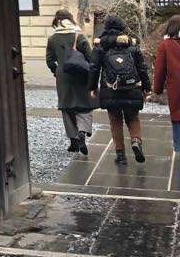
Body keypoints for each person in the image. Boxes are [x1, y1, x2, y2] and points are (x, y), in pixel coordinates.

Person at [91, 14, 151, 166]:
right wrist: (146, 88)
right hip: (131, 88)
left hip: (111, 89)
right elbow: (142, 68)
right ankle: (136, 141)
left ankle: (120, 155)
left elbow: (94, 68)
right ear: (122, 28)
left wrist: (92, 87)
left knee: (115, 120)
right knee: (133, 117)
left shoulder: (100, 46)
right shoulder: (131, 45)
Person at [45, 9, 93, 155]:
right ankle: (82, 132)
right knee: (84, 106)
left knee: (67, 107)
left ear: (57, 21)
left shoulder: (53, 39)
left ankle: (73, 141)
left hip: (63, 77)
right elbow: (90, 57)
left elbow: (49, 60)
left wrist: (56, 71)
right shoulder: (79, 36)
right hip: (80, 75)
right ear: (71, 20)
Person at [153, 14, 180, 153]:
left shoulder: (165, 46)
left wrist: (157, 89)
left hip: (176, 90)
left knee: (178, 118)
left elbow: (159, 71)